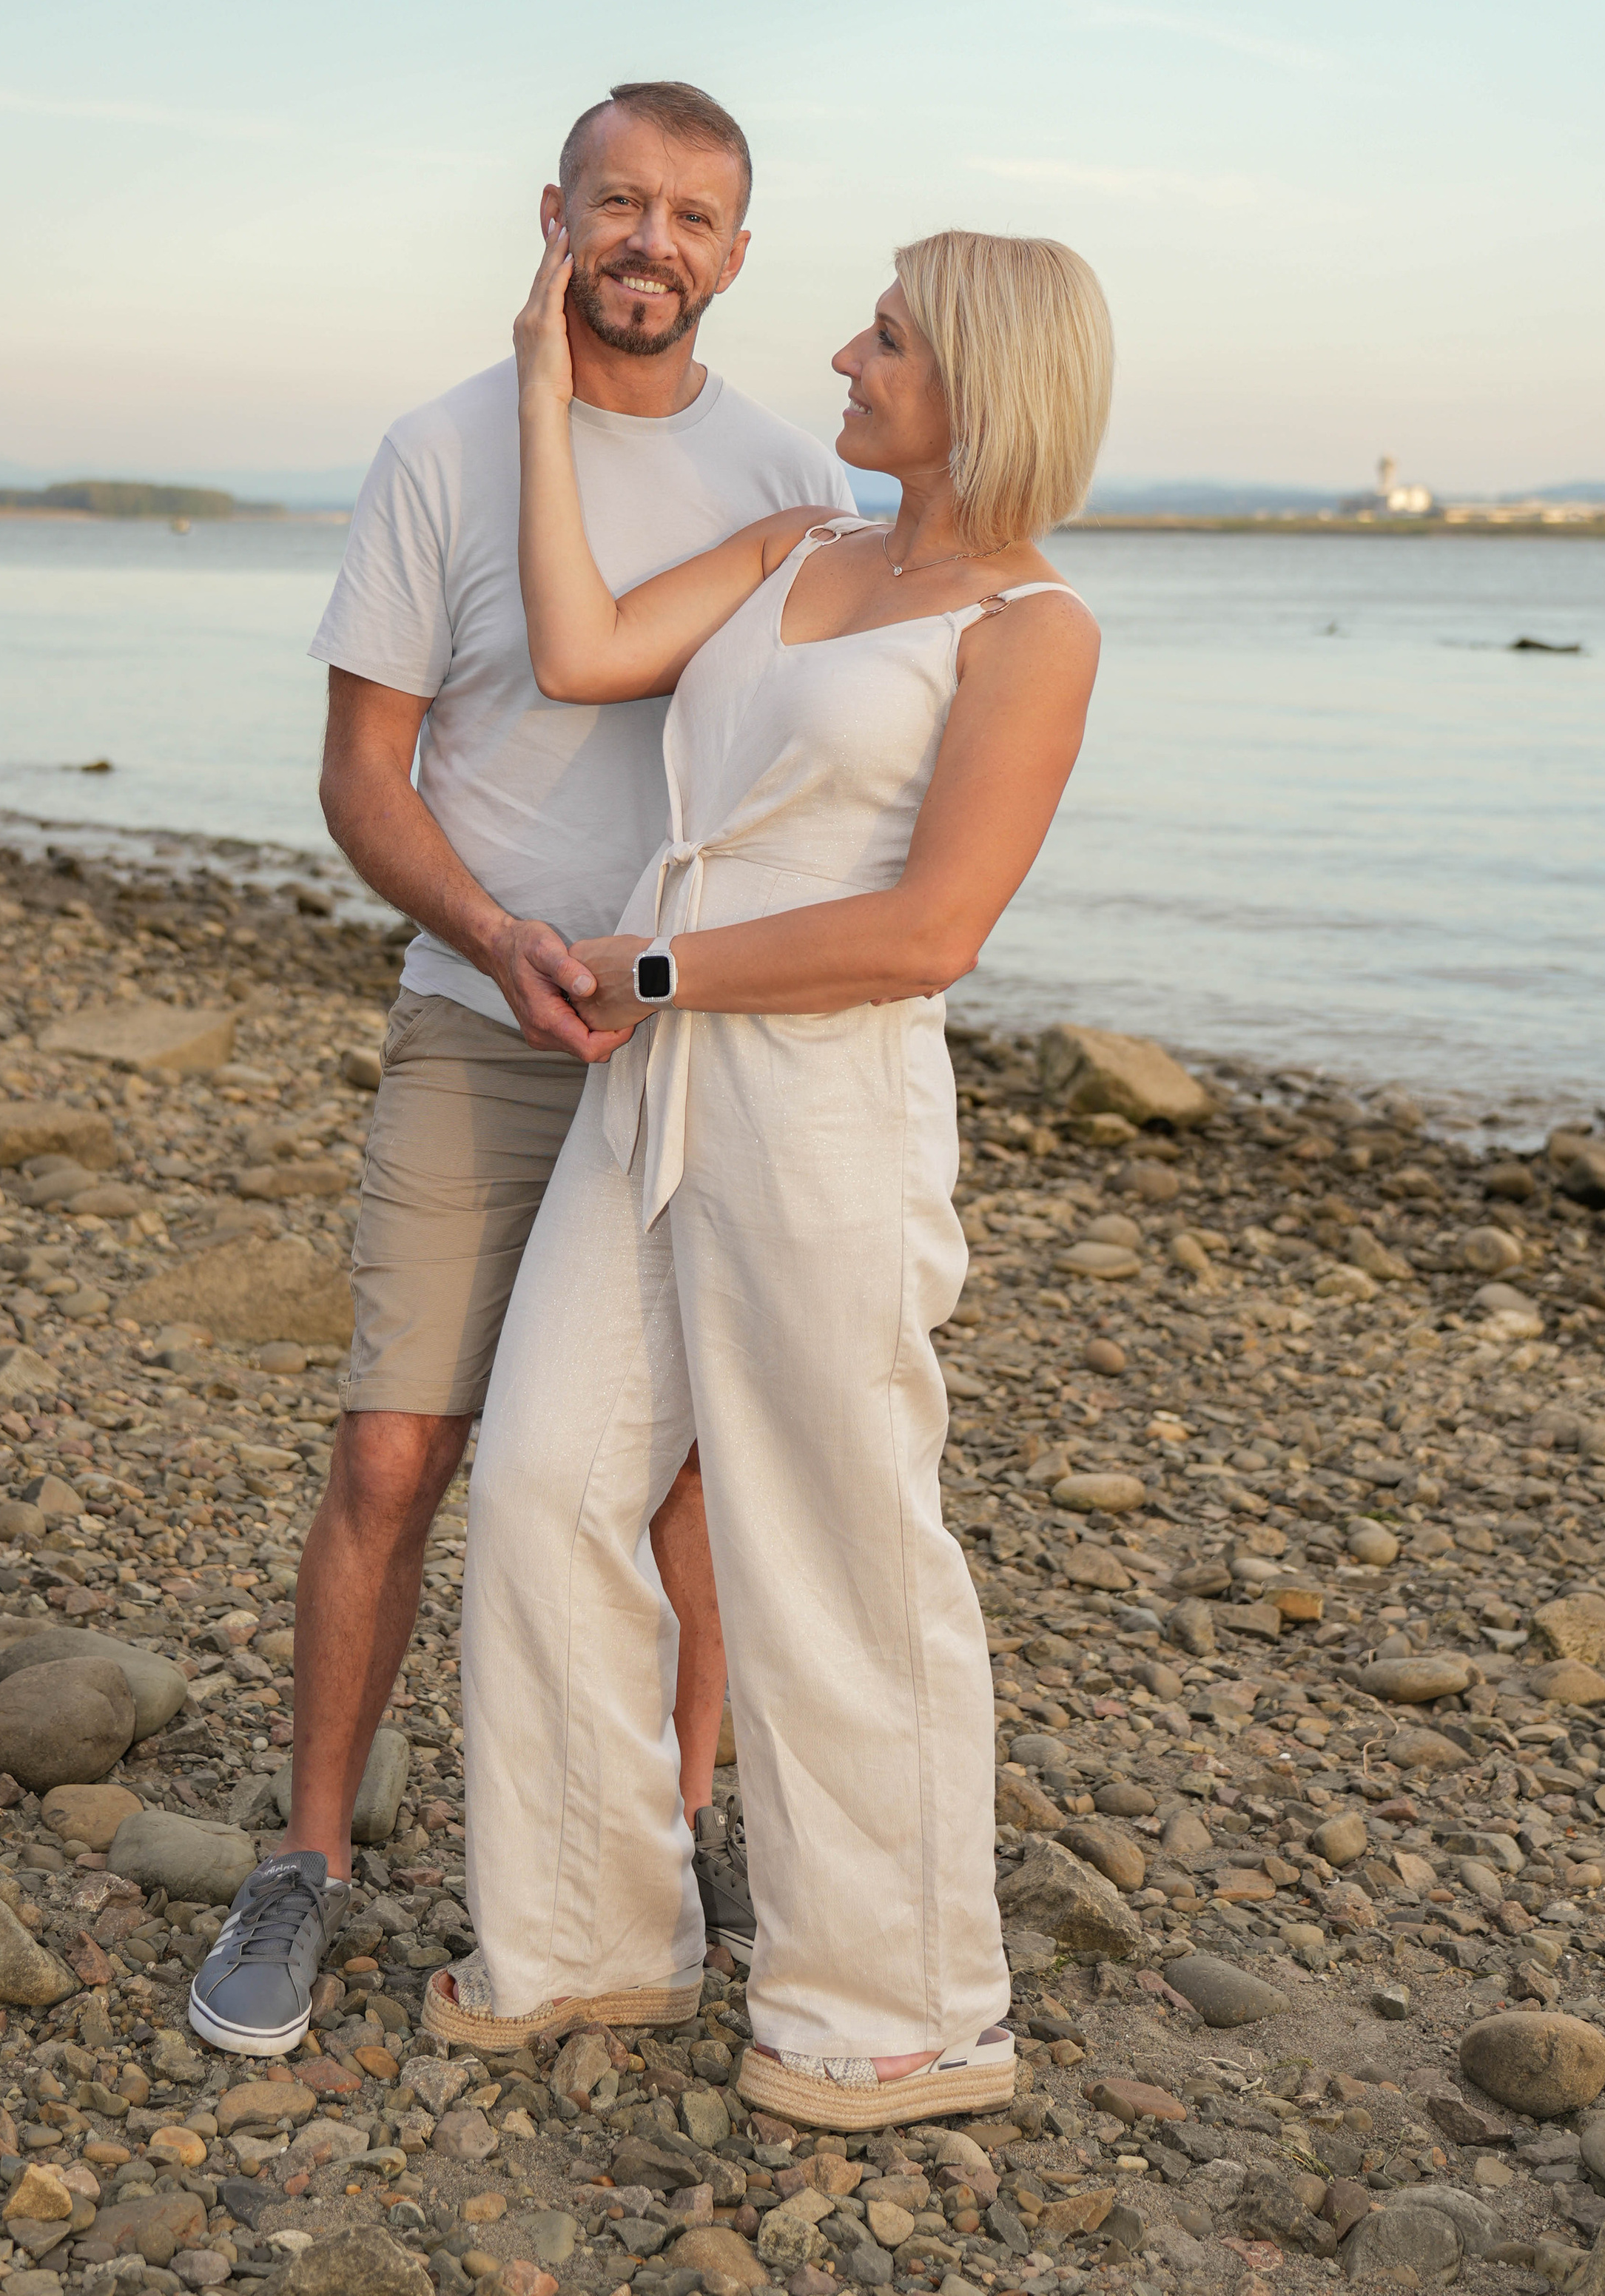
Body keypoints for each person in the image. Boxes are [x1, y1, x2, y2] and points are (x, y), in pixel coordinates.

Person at [188, 81, 853, 2058]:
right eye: (621, 203)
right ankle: (305, 1862)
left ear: (741, 253)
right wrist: (495, 937)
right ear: (554, 215)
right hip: (483, 1029)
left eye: (697, 216)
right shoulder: (442, 452)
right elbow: (358, 778)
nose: (654, 242)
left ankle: (668, 1830)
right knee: (400, 1446)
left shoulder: (792, 476)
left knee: (692, 1476)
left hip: (692, 1055)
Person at [435, 220, 1111, 2131]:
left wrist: (649, 968)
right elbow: (579, 648)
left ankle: (899, 2014)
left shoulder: (1030, 631)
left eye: (886, 337)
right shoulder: (800, 544)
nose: (844, 354)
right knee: (550, 1478)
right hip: (649, 1094)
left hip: (816, 1108)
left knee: (837, 1545)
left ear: (979, 380)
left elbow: (927, 931)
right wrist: (548, 398)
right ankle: (586, 1934)